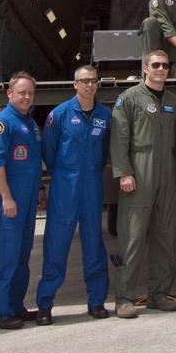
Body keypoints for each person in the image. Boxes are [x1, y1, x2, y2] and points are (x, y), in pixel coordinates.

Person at [110, 51, 176, 318]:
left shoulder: (172, 101)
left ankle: (159, 294)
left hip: (167, 172)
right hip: (140, 171)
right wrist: (124, 172)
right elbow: (119, 137)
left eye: (165, 65)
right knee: (133, 236)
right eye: (156, 65)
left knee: (165, 236)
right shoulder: (129, 98)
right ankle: (124, 297)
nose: (161, 69)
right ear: (145, 68)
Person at [36, 65, 112, 324]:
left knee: (94, 244)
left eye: (93, 81)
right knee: (56, 244)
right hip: (65, 186)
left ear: (97, 84)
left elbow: (105, 151)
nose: (89, 85)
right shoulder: (59, 114)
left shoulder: (105, 115)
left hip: (92, 185)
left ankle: (97, 301)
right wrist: (63, 174)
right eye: (84, 81)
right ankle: (45, 304)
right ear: (75, 84)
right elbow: (49, 150)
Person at [0, 72, 43, 329]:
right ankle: (0, 312)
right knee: (6, 254)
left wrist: (40, 189)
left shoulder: (29, 123)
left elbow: (32, 161)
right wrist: (6, 197)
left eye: (30, 93)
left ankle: (16, 305)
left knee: (22, 254)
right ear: (10, 94)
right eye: (21, 93)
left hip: (28, 199)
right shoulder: (3, 122)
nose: (26, 97)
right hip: (11, 199)